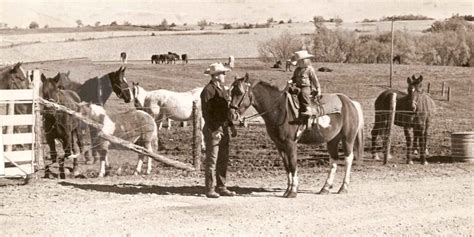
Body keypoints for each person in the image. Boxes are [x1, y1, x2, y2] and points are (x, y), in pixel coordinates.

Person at [200, 62, 237, 198]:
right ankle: (210, 188)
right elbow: (207, 113)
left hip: (224, 128)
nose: (224, 75)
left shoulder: (222, 89)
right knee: (212, 160)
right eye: (222, 73)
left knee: (223, 158)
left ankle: (221, 186)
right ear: (215, 76)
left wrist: (231, 125)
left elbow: (225, 111)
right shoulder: (208, 91)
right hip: (213, 129)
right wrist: (215, 129)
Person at [287, 50, 321, 120]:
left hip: (306, 87)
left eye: (299, 61)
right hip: (297, 86)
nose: (298, 63)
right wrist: (291, 81)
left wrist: (318, 88)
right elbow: (294, 78)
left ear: (304, 61)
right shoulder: (297, 70)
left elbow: (315, 80)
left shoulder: (309, 70)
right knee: (289, 92)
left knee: (303, 93)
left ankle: (308, 109)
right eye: (298, 62)